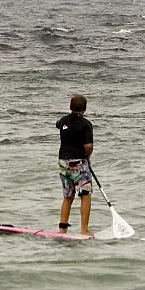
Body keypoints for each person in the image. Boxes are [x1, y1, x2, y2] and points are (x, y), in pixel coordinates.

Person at [55, 94, 94, 236]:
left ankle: (62, 229)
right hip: (79, 162)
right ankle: (84, 230)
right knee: (85, 195)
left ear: (70, 107)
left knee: (68, 196)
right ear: (85, 108)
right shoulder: (86, 124)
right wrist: (87, 158)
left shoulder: (63, 121)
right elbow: (88, 146)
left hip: (63, 162)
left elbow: (58, 124)